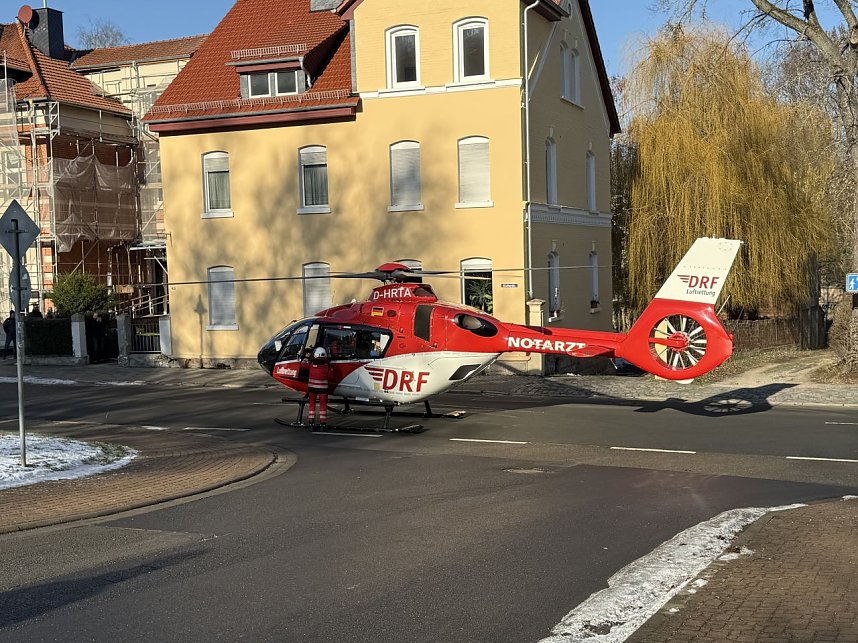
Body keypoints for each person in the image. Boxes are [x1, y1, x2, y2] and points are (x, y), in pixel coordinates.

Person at [306, 346, 332, 431]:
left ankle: (311, 423)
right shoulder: (327, 366)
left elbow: (303, 367)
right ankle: (323, 424)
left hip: (312, 389)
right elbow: (331, 376)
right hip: (323, 389)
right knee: (323, 406)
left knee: (312, 406)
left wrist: (307, 357)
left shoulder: (311, 364)